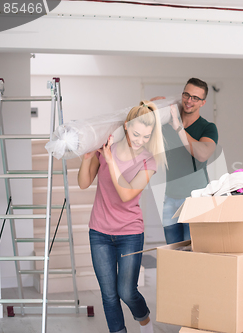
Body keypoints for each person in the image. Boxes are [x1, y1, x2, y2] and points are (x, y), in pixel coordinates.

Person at [78, 101, 166, 333]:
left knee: (127, 291)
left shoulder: (148, 161)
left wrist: (110, 162)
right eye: (136, 133)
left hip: (129, 233)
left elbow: (126, 194)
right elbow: (84, 183)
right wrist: (88, 157)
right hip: (99, 232)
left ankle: (145, 322)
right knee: (108, 295)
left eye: (146, 137)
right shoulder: (107, 148)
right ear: (126, 127)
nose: (139, 140)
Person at [151, 78, 218, 244]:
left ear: (203, 103)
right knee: (172, 252)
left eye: (195, 98)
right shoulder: (167, 122)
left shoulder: (208, 127)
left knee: (191, 253)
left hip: (195, 200)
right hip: (170, 198)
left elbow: (202, 154)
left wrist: (179, 128)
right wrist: (161, 103)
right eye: (186, 95)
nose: (189, 101)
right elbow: (146, 110)